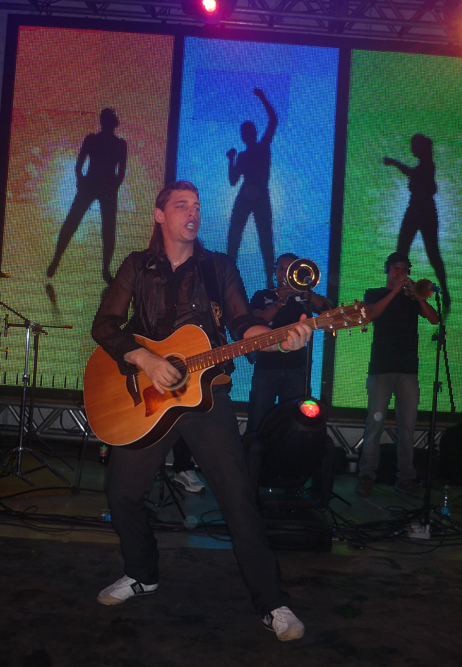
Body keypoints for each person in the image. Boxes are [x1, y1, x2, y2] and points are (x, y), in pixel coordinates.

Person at [91, 180, 312, 641]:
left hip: (205, 399)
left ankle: (272, 602)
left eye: (196, 206)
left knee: (238, 498)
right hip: (148, 398)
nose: (192, 213)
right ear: (159, 215)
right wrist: (145, 359)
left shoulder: (218, 267)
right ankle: (141, 573)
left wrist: (277, 339)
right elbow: (105, 324)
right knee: (121, 492)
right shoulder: (137, 266)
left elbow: (242, 323)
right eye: (181, 206)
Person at [355, 251, 439, 499]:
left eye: (405, 270)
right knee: (375, 424)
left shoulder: (413, 298)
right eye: (396, 270)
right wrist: (394, 292)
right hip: (381, 368)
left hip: (408, 369)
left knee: (407, 427)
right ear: (387, 270)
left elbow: (434, 319)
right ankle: (366, 476)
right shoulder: (374, 293)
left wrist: (418, 296)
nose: (401, 274)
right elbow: (371, 314)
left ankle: (406, 478)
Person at [246, 253, 331, 434]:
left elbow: (328, 309)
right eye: (281, 269)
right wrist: (280, 302)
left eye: (289, 269)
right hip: (266, 367)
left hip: (297, 368)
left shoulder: (305, 297)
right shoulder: (263, 295)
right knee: (257, 422)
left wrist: (304, 292)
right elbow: (255, 321)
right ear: (275, 271)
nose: (284, 274)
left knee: (295, 423)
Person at [47, 108, 127, 285]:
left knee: (79, 224)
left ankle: (59, 260)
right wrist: (85, 181)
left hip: (94, 186)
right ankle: (102, 269)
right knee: (91, 227)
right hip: (97, 186)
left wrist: (83, 181)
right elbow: (118, 172)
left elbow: (81, 165)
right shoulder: (114, 143)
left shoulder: (102, 141)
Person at [384, 134, 450, 313]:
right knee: (409, 252)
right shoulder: (426, 165)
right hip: (420, 210)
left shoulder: (427, 165)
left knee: (414, 252)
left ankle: (400, 289)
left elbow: (415, 175)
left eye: (414, 145)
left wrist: (394, 163)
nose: (412, 148)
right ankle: (399, 288)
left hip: (420, 210)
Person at [226, 88, 277, 290]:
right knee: (236, 235)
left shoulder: (262, 147)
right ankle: (229, 275)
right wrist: (231, 160)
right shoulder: (244, 156)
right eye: (244, 133)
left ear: (253, 134)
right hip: (250, 195)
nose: (245, 135)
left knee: (264, 237)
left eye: (247, 132)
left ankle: (270, 280)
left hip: (258, 195)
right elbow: (233, 180)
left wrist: (263, 97)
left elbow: (273, 121)